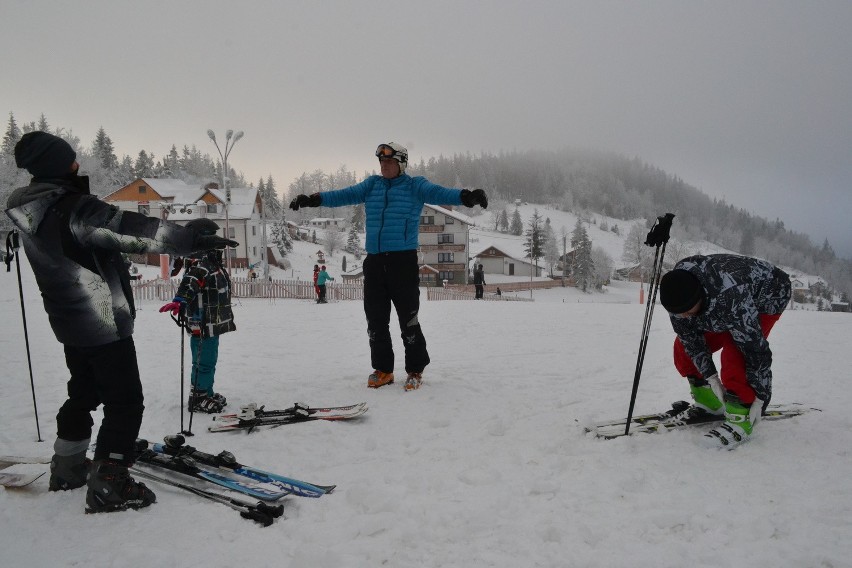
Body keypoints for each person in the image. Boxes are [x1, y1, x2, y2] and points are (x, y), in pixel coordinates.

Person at [5, 132, 237, 513]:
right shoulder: (73, 208)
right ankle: (110, 482)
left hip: (67, 321)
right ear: (58, 165)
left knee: (83, 391)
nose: (77, 163)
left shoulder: (31, 209)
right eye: (71, 159)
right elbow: (130, 231)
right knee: (125, 401)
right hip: (100, 321)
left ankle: (67, 467)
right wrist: (188, 239)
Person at [290, 142, 488, 391]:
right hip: (374, 262)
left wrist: (466, 196)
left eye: (389, 162)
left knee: (409, 319)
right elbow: (343, 194)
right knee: (375, 319)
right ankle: (383, 369)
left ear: (401, 163)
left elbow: (440, 193)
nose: (384, 166)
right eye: (382, 162)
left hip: (402, 262)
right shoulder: (371, 185)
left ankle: (415, 369)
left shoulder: (415, 186)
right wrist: (312, 199)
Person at [658, 253, 791, 448]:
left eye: (687, 311)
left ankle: (741, 416)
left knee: (735, 353)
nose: (683, 316)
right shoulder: (678, 292)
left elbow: (754, 349)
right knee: (683, 349)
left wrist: (761, 396)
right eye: (679, 313)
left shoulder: (730, 295)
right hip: (720, 304)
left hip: (768, 293)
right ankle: (710, 403)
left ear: (698, 298)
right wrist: (711, 378)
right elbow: (690, 339)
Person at [159, 219, 236, 413]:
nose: (218, 248)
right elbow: (190, 282)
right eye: (214, 241)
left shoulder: (211, 263)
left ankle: (206, 392)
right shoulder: (200, 265)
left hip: (212, 321)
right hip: (201, 321)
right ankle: (199, 396)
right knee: (203, 360)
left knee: (209, 359)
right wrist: (179, 300)